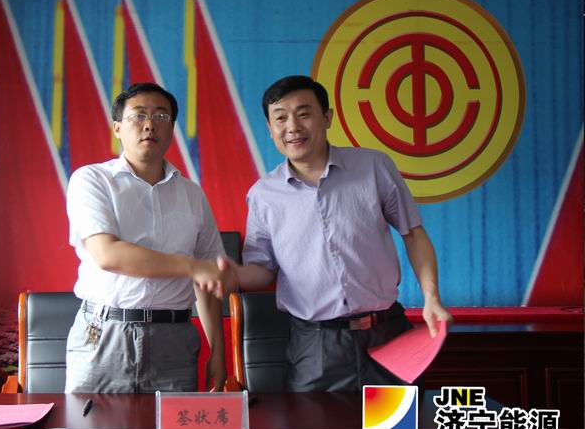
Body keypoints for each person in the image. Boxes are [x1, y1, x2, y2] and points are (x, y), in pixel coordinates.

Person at [213, 75, 453, 392]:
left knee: (396, 424)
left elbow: (414, 235)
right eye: (280, 118)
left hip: (388, 336)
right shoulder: (263, 195)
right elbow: (263, 270)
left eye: (304, 114)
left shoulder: (373, 166)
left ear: (327, 118)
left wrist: (431, 298)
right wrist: (235, 275)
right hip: (315, 347)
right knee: (316, 424)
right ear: (270, 129)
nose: (292, 127)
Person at [65, 82, 231, 393]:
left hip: (174, 339)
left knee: (171, 426)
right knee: (91, 423)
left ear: (172, 128)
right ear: (117, 127)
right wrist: (191, 266)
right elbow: (107, 255)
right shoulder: (92, 180)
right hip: (104, 332)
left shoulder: (192, 194)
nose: (150, 124)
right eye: (138, 115)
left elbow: (208, 280)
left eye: (161, 116)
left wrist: (218, 352)